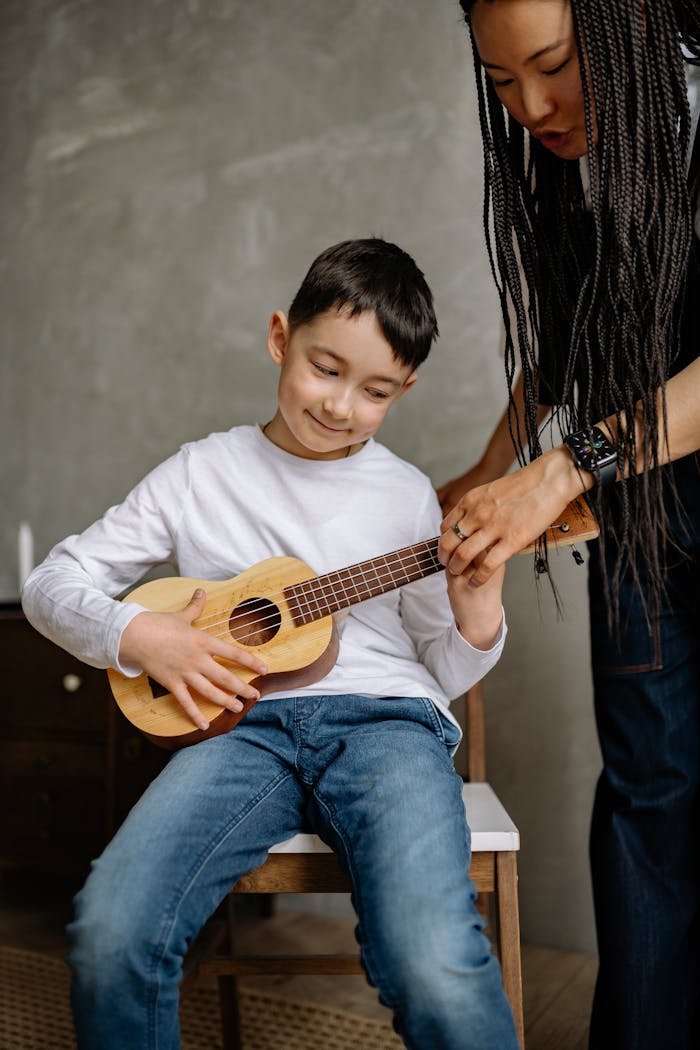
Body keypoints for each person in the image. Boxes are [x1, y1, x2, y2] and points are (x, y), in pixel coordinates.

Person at [21, 237, 519, 1050]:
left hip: (388, 727)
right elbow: (52, 584)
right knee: (112, 932)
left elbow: (447, 668)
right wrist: (142, 636)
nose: (339, 405)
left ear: (406, 390)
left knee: (432, 958)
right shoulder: (198, 474)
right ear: (280, 337)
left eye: (376, 392)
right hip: (243, 731)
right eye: (326, 368)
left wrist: (478, 607)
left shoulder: (405, 496)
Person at [438, 3, 700, 1050]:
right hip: (644, 523)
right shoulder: (569, 152)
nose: (533, 107)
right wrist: (485, 469)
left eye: (551, 67)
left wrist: (566, 467)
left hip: (617, 467)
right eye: (502, 81)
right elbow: (573, 333)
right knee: (651, 800)